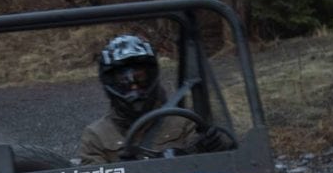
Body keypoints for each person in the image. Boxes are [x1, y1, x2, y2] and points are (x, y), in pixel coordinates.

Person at [77, 34, 229, 164]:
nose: (134, 87)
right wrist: (122, 172)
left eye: (140, 77)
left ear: (151, 76)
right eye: (125, 80)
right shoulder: (96, 136)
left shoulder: (183, 122)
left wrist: (214, 149)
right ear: (111, 84)